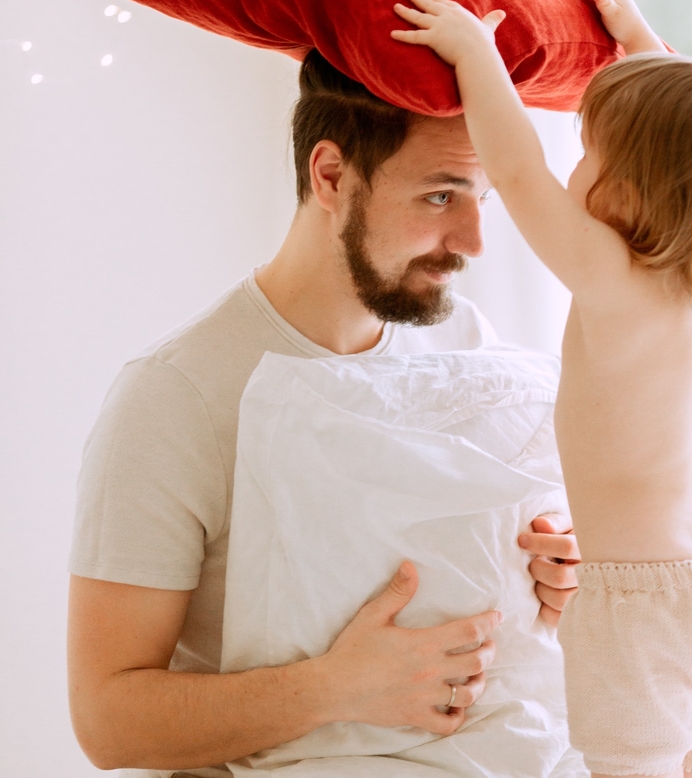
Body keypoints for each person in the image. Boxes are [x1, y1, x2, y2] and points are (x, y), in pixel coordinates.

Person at [67, 49, 581, 777]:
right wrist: (335, 688)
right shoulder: (177, 396)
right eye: (441, 197)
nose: (473, 241)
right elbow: (108, 723)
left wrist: (552, 568)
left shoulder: (463, 344)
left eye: (483, 197)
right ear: (331, 175)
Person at [391, 0, 692, 778]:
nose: (576, 170)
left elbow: (522, 169)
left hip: (643, 603)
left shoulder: (615, 278)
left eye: (591, 153)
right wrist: (636, 39)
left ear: (630, 190)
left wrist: (475, 54)